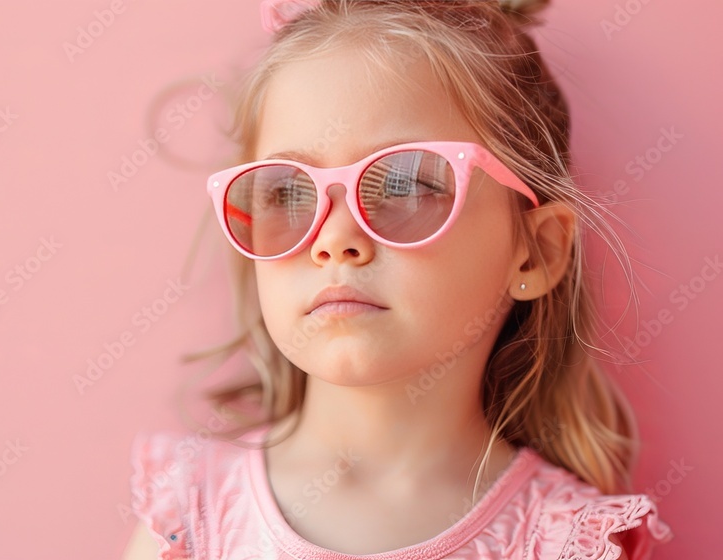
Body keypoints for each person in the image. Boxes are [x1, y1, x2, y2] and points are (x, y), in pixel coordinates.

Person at [121, 1, 673, 558]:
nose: (333, 239)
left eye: (404, 184)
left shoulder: (567, 542)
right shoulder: (191, 517)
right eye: (288, 192)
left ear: (535, 253)